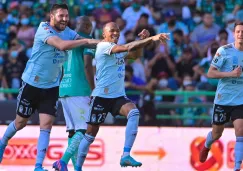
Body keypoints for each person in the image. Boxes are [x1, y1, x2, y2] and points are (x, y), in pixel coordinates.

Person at [0, 4, 100, 171]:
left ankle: (38, 166)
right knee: (20, 122)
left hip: (52, 86)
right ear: (52, 16)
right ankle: (3, 142)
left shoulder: (68, 31)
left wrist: (105, 44)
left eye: (67, 16)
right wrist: (85, 40)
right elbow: (61, 45)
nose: (65, 19)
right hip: (32, 83)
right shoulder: (43, 28)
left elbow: (87, 42)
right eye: (61, 15)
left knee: (46, 126)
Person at [75, 22, 169, 171]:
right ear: (104, 34)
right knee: (90, 135)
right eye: (112, 31)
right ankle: (78, 167)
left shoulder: (117, 48)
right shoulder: (103, 46)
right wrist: (152, 39)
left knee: (134, 113)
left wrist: (142, 41)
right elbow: (127, 48)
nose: (116, 33)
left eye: (117, 31)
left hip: (118, 96)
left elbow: (135, 54)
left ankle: (125, 155)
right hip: (102, 97)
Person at [52, 16, 95, 171]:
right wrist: (93, 89)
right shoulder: (88, 40)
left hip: (64, 89)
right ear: (88, 26)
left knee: (72, 132)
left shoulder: (67, 40)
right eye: (88, 24)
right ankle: (62, 161)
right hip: (79, 89)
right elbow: (87, 66)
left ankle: (77, 168)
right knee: (84, 130)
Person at [199, 22, 243, 171]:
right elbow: (210, 73)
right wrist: (230, 74)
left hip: (240, 100)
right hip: (223, 99)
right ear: (234, 33)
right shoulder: (224, 51)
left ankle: (237, 167)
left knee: (240, 130)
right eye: (238, 32)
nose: (241, 34)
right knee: (217, 133)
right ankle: (207, 145)